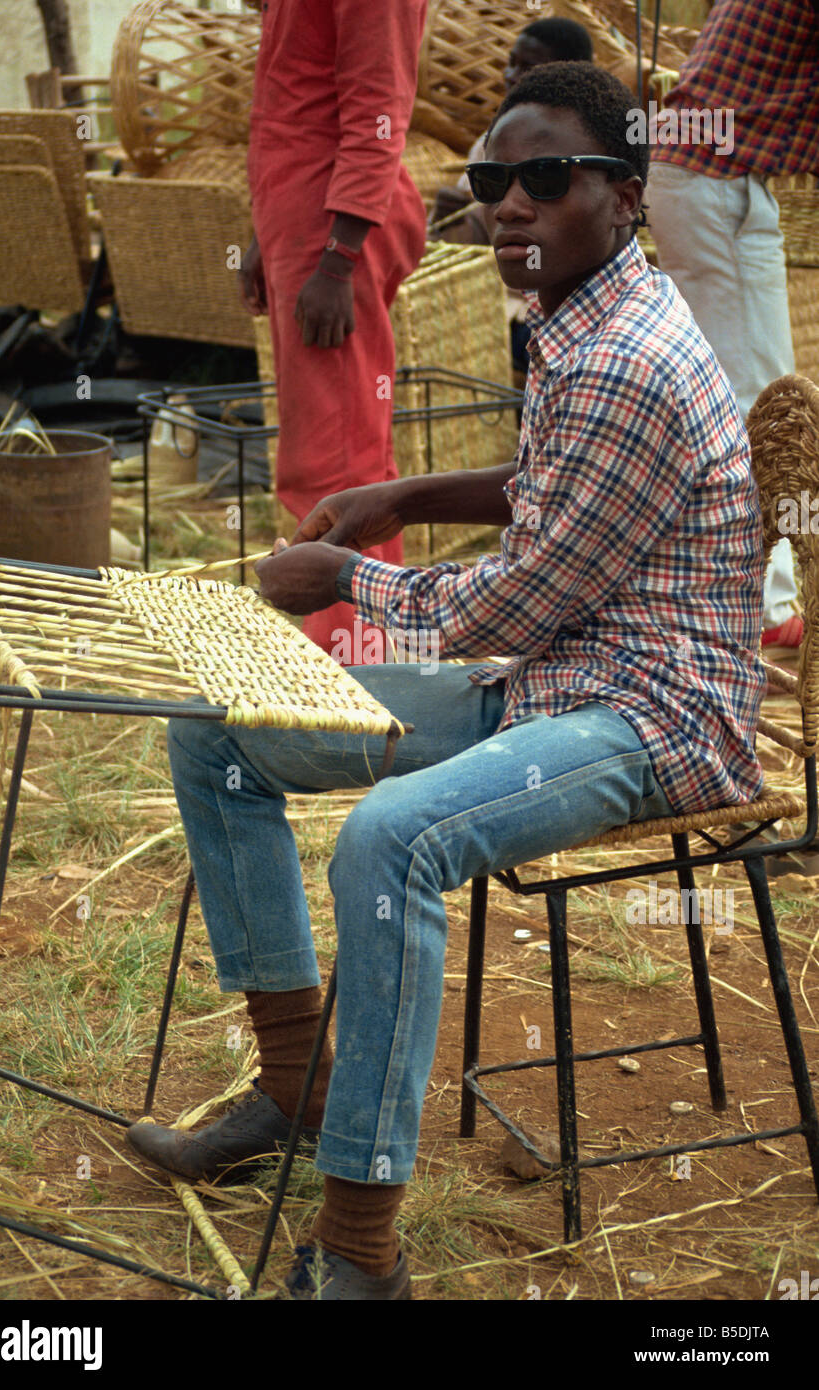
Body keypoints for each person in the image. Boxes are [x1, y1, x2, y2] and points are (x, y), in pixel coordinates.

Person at [126, 63, 766, 1300]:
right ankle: (297, 1079)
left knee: (391, 840)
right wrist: (402, 496)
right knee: (217, 728)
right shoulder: (573, 314)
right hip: (552, 676)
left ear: (625, 196)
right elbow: (551, 494)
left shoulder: (628, 356)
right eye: (489, 183)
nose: (511, 208)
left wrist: (343, 577)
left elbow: (513, 601)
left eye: (546, 179)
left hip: (652, 711)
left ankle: (360, 1249)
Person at [239, 0, 428, 662]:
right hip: (305, 217)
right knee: (343, 447)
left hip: (332, 228)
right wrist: (266, 234)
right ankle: (373, 644)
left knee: (336, 457)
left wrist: (338, 258)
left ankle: (351, 663)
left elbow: (380, 110)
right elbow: (293, 101)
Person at [644, 0, 819, 652]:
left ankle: (734, 591)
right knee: (758, 402)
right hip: (713, 180)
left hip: (708, 176)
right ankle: (762, 606)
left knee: (742, 392)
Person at [432, 16, 594, 378]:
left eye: (527, 67)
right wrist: (447, 216)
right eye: (511, 63)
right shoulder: (491, 143)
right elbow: (460, 238)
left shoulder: (591, 148)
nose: (510, 76)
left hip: (556, 314)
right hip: (501, 309)